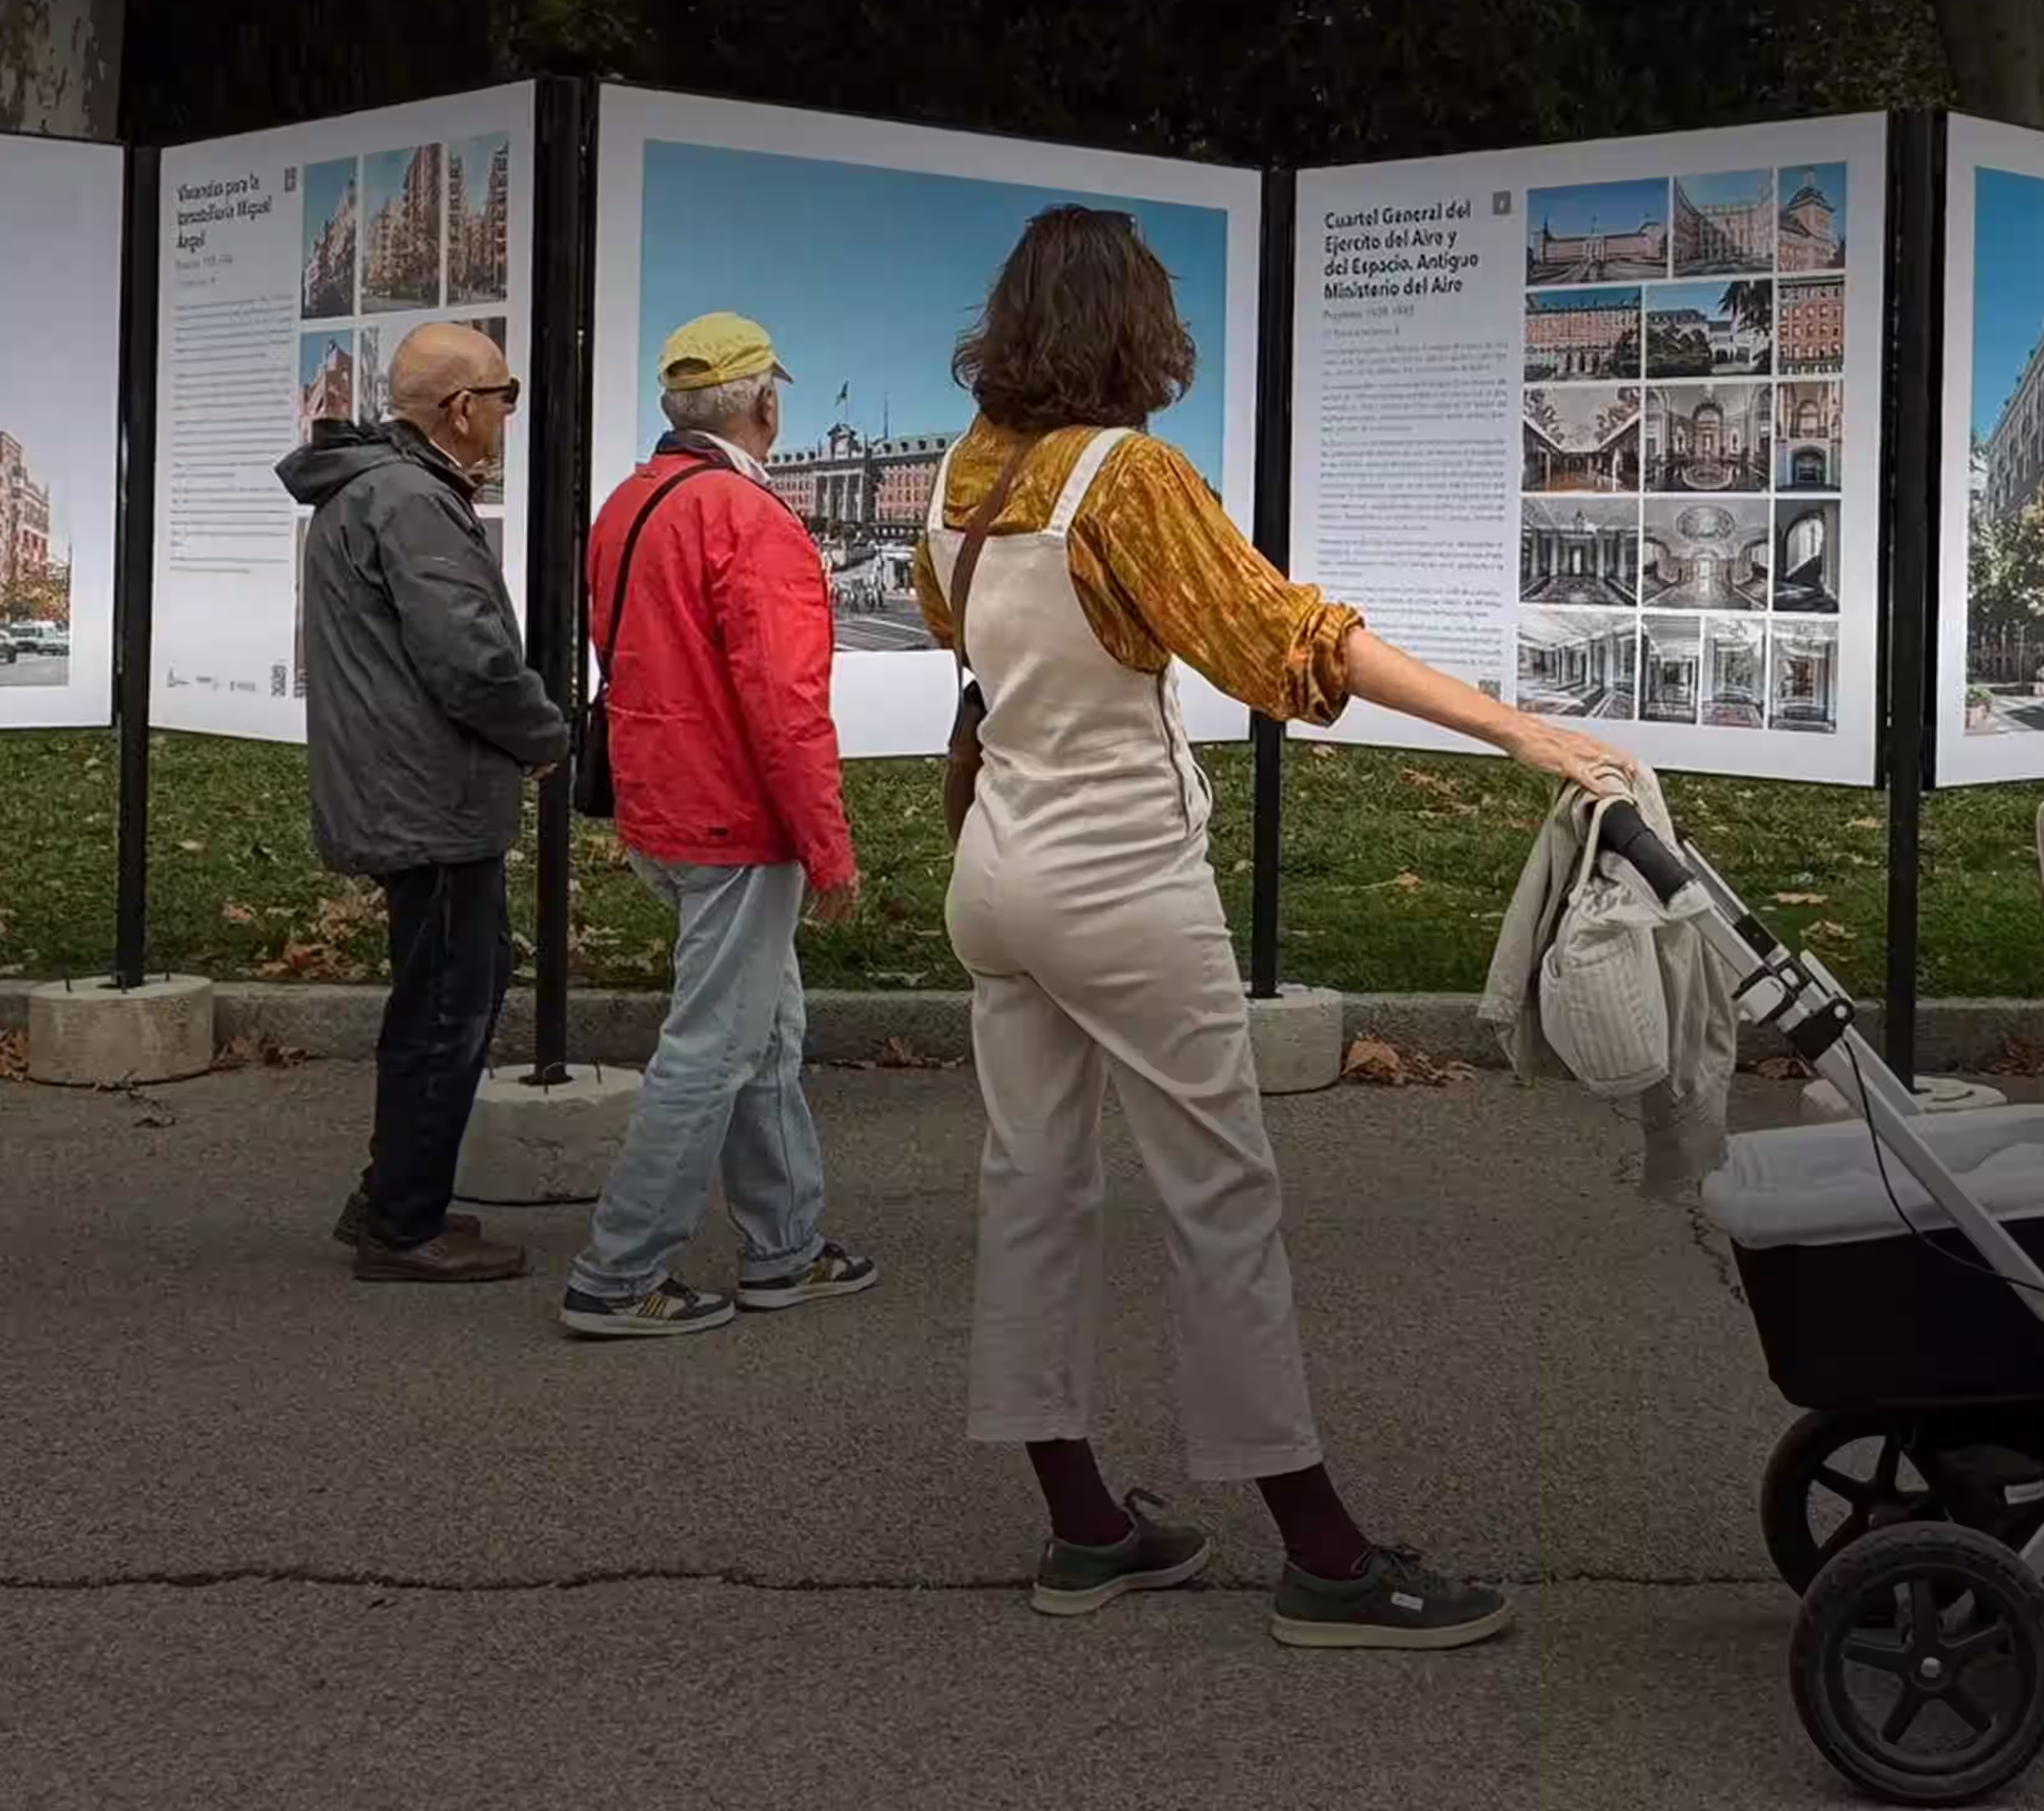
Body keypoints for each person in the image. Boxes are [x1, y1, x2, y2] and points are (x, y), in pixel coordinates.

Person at [917, 205, 1626, 1652]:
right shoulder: (1127, 475)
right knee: (1221, 1200)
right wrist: (1515, 729)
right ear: (1134, 324)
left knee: (1033, 1185)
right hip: (1116, 875)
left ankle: (1085, 1524)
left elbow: (961, 638)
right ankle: (1324, 1553)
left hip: (993, 872)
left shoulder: (964, 478)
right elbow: (1288, 637)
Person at [559, 314, 875, 1340]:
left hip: (660, 808)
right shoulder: (754, 520)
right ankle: (619, 1273)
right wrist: (827, 847)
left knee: (764, 1030)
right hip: (736, 821)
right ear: (765, 405)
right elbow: (786, 707)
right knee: (709, 1050)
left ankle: (785, 1248)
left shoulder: (629, 504)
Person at [285, 320, 567, 1285]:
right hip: (431, 798)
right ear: (460, 410)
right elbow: (472, 660)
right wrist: (544, 735)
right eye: (504, 395)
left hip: (408, 789)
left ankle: (396, 1194)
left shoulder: (376, 491)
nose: (506, 414)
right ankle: (404, 1224)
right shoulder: (411, 502)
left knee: (441, 993)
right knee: (449, 1005)